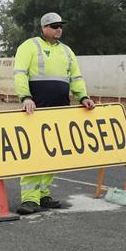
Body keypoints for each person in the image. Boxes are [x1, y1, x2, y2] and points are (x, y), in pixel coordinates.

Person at [13, 12, 96, 215]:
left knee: (52, 153)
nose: (59, 29)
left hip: (59, 110)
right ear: (43, 28)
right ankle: (30, 199)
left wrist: (83, 97)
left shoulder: (67, 51)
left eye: (61, 26)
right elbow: (20, 74)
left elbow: (75, 77)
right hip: (35, 108)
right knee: (34, 154)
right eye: (54, 26)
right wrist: (25, 98)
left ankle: (43, 195)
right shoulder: (29, 46)